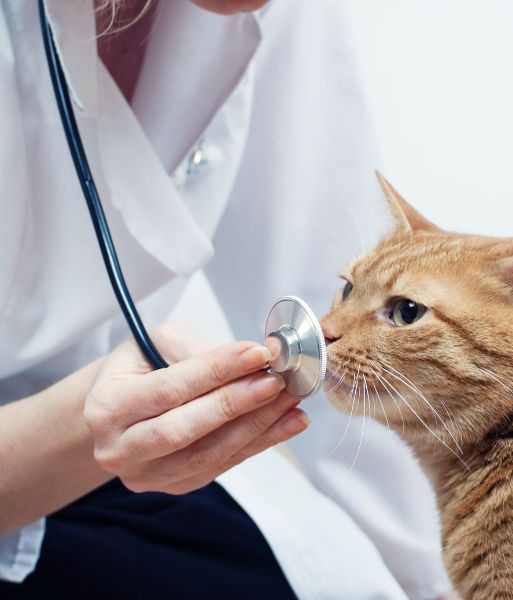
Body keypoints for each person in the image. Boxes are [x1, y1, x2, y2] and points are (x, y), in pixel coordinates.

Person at [0, 0, 454, 597]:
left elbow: (328, 300)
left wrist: (435, 585)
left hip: (115, 460)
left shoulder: (278, 13)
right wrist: (82, 425)